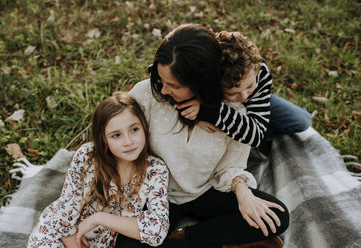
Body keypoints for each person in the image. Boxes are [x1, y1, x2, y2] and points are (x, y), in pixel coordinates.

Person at [129, 24, 289, 248]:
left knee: (277, 216)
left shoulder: (236, 111)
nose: (164, 89)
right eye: (163, 81)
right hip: (160, 193)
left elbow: (244, 148)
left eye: (173, 84)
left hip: (207, 190)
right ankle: (220, 242)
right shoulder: (148, 94)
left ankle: (186, 237)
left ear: (200, 84)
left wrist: (243, 192)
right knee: (123, 241)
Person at [27, 93, 169, 247]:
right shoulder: (87, 157)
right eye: (116, 135)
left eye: (134, 129)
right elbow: (64, 217)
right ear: (103, 139)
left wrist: (99, 218)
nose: (128, 141)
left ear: (144, 127)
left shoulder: (155, 170)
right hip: (61, 235)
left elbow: (157, 231)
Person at [176, 31, 312, 155]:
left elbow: (256, 135)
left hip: (251, 105)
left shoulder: (260, 72)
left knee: (302, 121)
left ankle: (245, 133)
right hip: (224, 112)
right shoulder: (205, 75)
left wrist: (206, 112)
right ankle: (243, 132)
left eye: (249, 86)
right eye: (232, 93)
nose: (243, 97)